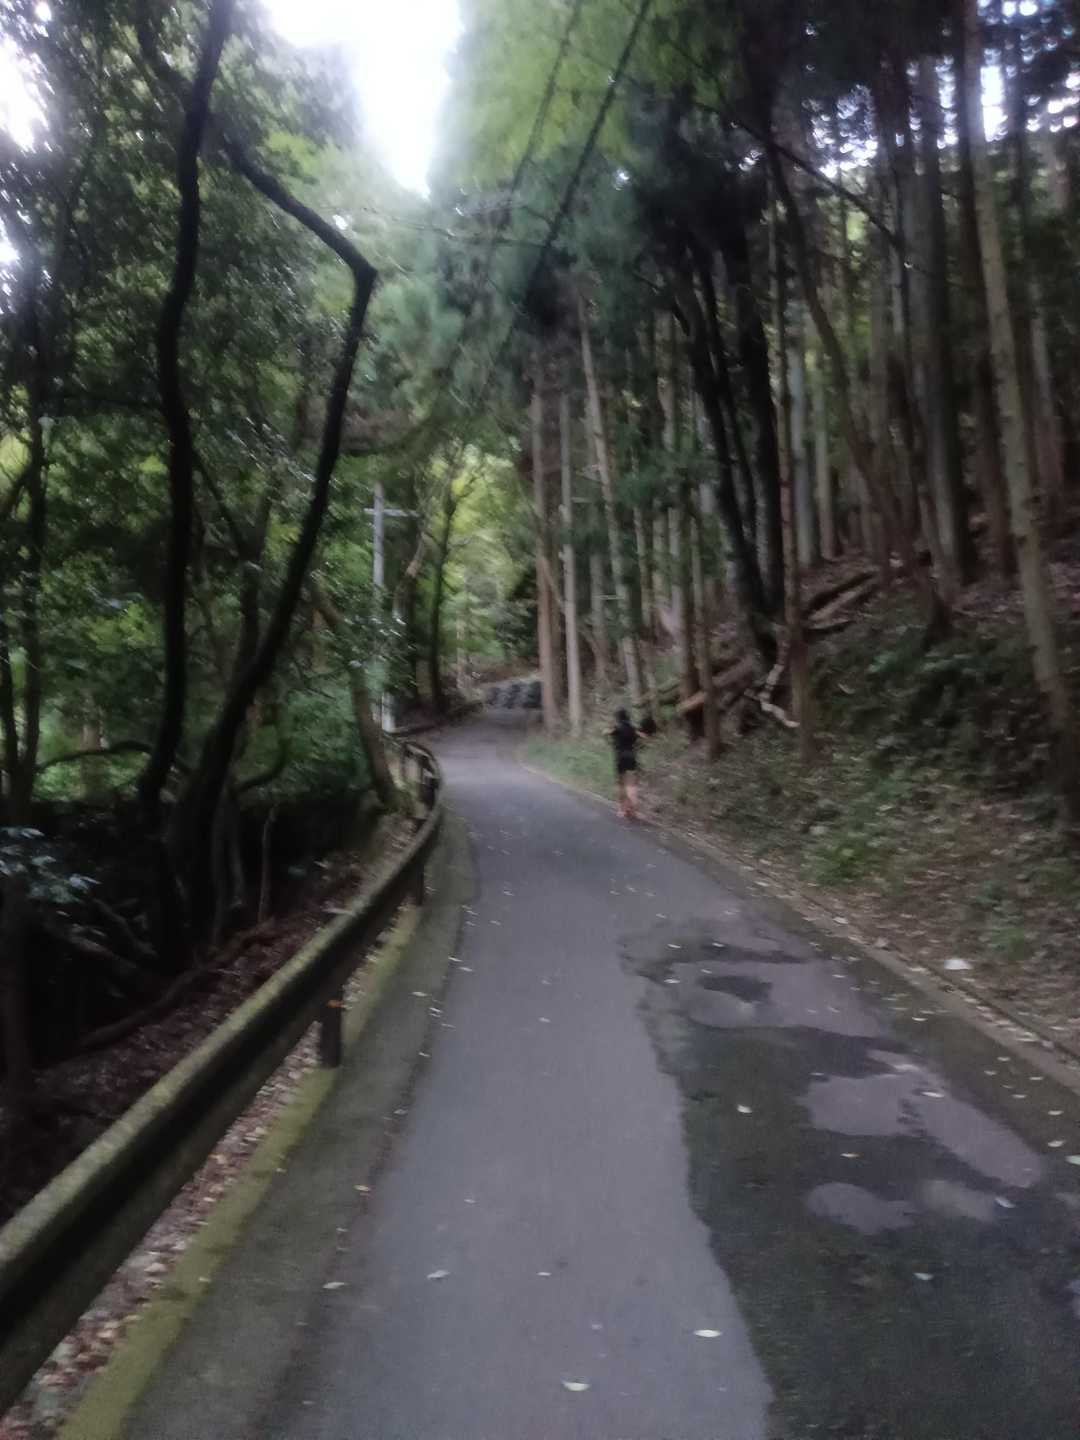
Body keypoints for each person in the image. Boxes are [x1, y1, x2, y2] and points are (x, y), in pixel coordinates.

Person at [609, 707, 643, 820]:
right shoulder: (633, 728)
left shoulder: (617, 728)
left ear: (617, 717)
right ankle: (634, 810)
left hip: (620, 758)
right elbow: (642, 736)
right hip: (631, 757)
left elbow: (607, 732)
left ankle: (622, 809)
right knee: (631, 785)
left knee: (621, 784)